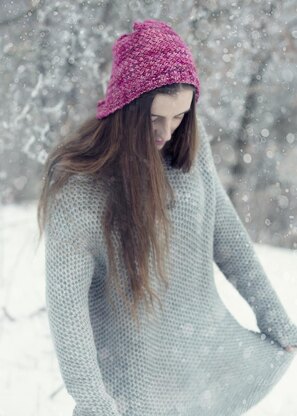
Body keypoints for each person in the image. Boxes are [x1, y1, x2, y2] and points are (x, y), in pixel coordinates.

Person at [37, 18, 297, 416]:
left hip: (198, 370)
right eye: (155, 119)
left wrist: (274, 315)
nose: (168, 133)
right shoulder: (79, 188)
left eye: (179, 118)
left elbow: (226, 237)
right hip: (127, 391)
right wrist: (92, 401)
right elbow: (67, 312)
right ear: (126, 108)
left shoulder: (189, 147)